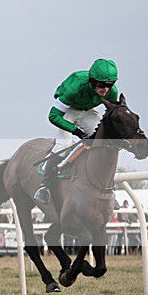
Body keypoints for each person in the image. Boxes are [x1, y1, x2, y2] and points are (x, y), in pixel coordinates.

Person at [34, 59, 119, 204]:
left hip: (88, 112)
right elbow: (53, 116)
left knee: (104, 142)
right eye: (101, 84)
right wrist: (77, 131)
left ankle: (108, 188)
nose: (105, 89)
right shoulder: (75, 87)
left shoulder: (113, 92)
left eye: (109, 85)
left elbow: (111, 114)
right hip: (68, 111)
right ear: (92, 81)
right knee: (64, 145)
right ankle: (44, 187)